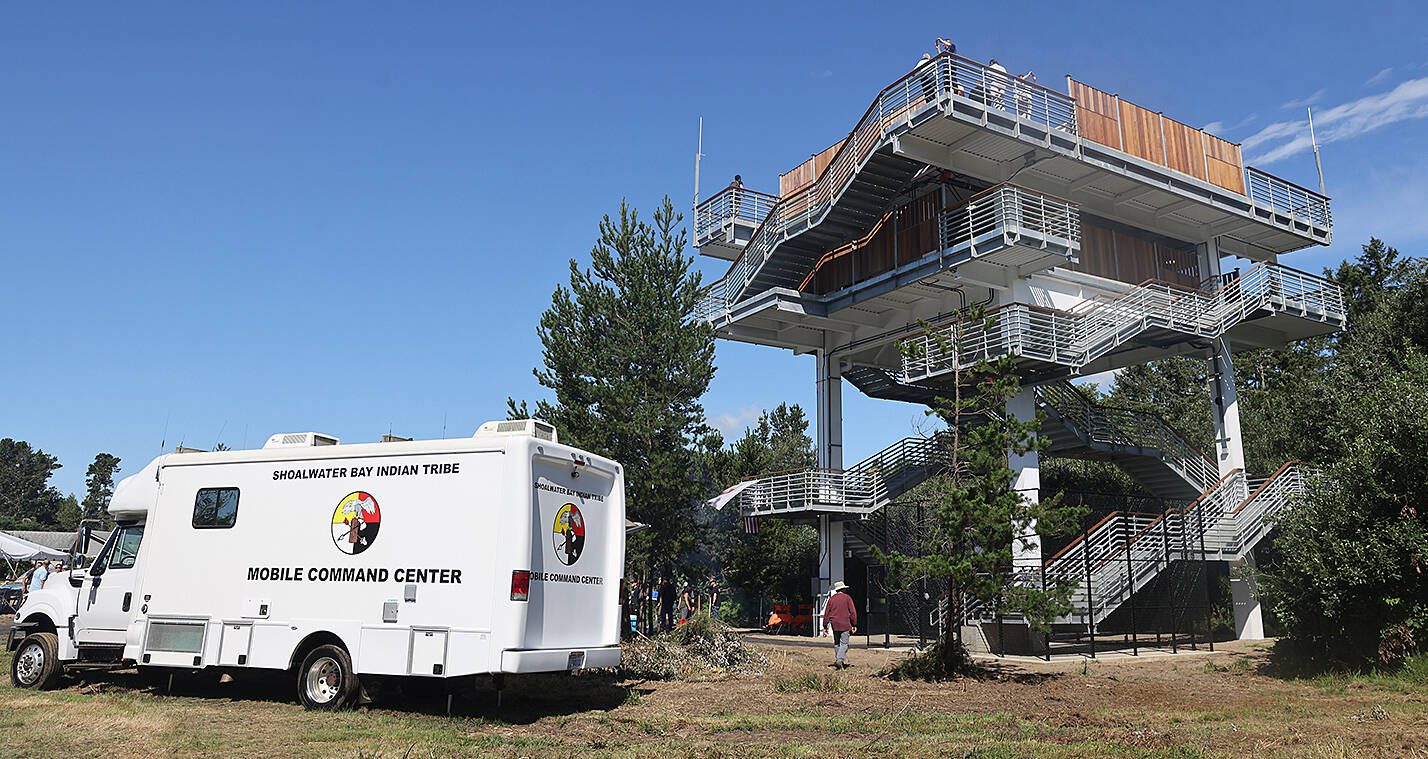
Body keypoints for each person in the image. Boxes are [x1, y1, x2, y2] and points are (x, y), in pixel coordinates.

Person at [822, 581, 858, 669]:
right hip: (845, 624)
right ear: (843, 589)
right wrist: (854, 624)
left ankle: (839, 661)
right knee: (844, 644)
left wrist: (825, 626)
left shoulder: (831, 599)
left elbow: (827, 613)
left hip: (834, 624)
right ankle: (840, 660)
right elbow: (853, 612)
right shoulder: (847, 598)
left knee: (837, 643)